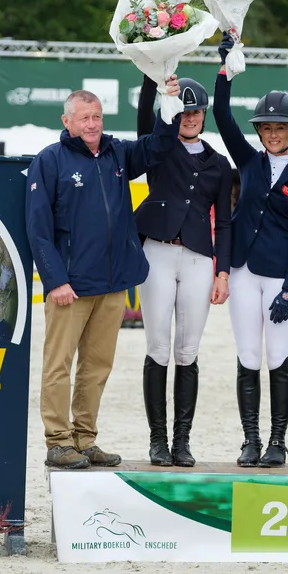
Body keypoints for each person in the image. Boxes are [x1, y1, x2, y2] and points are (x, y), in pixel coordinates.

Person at [27, 86, 177, 468]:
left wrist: (168, 100)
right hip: (70, 287)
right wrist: (55, 280)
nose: (92, 125)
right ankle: (59, 441)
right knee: (58, 365)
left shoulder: (119, 153)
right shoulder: (50, 160)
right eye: (84, 118)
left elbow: (159, 144)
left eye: (97, 117)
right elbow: (38, 228)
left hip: (112, 285)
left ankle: (85, 438)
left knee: (97, 367)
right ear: (67, 121)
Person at [213, 34, 288, 468]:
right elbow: (220, 115)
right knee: (247, 356)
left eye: (280, 127)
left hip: (279, 276)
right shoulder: (249, 161)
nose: (272, 134)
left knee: (277, 357)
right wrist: (225, 70)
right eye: (266, 127)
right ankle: (250, 440)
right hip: (243, 270)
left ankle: (278, 440)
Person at [134, 75, 233, 467]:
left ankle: (182, 439)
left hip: (196, 259)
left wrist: (222, 272)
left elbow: (224, 222)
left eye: (195, 111)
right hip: (157, 252)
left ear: (203, 114)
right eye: (184, 111)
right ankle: (157, 439)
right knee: (158, 347)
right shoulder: (158, 148)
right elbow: (145, 115)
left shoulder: (219, 165)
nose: (189, 118)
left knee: (187, 350)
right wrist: (151, 74)